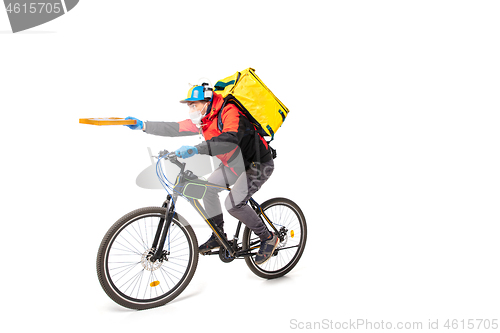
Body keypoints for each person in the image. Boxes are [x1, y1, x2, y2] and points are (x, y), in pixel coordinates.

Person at [124, 83, 278, 265]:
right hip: (234, 164)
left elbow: (230, 139)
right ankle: (218, 235)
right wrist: (144, 125)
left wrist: (196, 149)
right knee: (207, 190)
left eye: (193, 105)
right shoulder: (204, 119)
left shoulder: (230, 111)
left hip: (257, 164)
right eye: (188, 105)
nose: (190, 109)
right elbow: (175, 128)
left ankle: (268, 237)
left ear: (207, 101)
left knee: (233, 204)